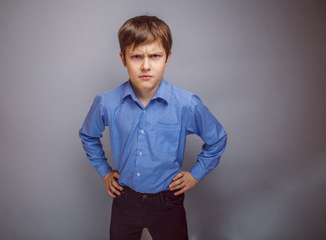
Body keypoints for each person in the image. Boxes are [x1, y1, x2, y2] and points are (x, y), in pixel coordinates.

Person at [79, 15, 227, 240]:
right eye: (137, 56)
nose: (146, 65)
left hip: (167, 202)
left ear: (167, 57)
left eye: (155, 56)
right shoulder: (106, 102)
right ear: (123, 59)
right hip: (125, 200)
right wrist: (105, 172)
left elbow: (217, 139)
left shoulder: (186, 104)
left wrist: (195, 174)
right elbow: (88, 136)